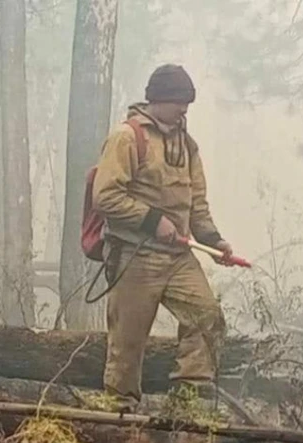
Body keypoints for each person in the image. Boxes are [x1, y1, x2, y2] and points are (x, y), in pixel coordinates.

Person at [91, 64, 232, 412]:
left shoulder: (188, 145)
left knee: (207, 316)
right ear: (158, 99)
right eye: (179, 102)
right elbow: (105, 196)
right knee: (127, 344)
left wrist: (214, 241)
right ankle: (117, 417)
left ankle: (188, 404)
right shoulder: (126, 137)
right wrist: (153, 221)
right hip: (136, 255)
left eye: (187, 103)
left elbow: (196, 203)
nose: (185, 109)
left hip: (179, 258)